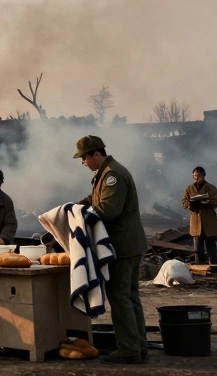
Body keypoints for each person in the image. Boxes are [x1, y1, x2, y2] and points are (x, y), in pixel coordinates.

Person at [74, 135, 148, 365]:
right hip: (129, 244)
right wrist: (78, 206)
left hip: (122, 246)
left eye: (84, 157)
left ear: (96, 154)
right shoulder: (106, 173)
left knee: (120, 297)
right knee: (130, 297)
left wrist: (83, 216)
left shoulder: (112, 175)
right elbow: (97, 198)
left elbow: (108, 209)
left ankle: (128, 349)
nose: (83, 162)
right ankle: (138, 345)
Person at [181, 167, 217, 265]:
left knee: (211, 245)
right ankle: (200, 265)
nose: (196, 177)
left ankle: (214, 265)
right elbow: (184, 202)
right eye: (194, 175)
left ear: (203, 175)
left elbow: (215, 201)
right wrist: (191, 204)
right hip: (196, 220)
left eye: (198, 175)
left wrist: (204, 203)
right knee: (198, 247)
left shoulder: (211, 188)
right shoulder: (189, 188)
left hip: (208, 220)